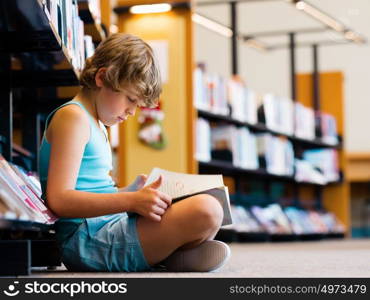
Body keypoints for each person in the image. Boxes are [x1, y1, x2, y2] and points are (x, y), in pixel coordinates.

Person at [39, 33, 231, 272]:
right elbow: (60, 199)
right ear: (102, 77)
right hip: (84, 240)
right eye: (130, 99)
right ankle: (169, 256)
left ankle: (166, 255)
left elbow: (89, 188)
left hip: (103, 226)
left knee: (209, 208)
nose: (131, 112)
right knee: (207, 210)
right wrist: (130, 200)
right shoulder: (73, 118)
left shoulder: (95, 123)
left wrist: (129, 192)